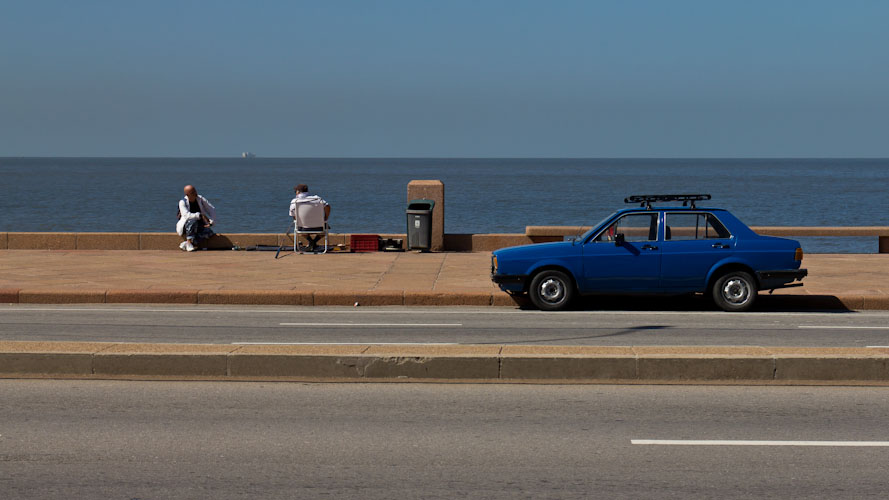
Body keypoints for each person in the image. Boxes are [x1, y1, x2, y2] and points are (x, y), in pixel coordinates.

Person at [289, 184, 330, 251]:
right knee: (326, 227)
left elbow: (293, 216)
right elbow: (327, 206)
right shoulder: (317, 199)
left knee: (298, 226)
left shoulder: (294, 201)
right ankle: (313, 243)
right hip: (319, 227)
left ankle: (311, 242)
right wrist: (326, 218)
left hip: (303, 229)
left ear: (298, 192)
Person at [176, 185, 216, 252]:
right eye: (192, 192)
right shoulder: (182, 202)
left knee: (209, 233)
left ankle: (187, 243)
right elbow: (186, 215)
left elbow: (211, 209)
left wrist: (211, 222)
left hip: (198, 225)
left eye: (195, 191)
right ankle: (188, 242)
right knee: (192, 220)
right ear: (187, 194)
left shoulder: (200, 199)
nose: (195, 193)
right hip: (186, 226)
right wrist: (200, 215)